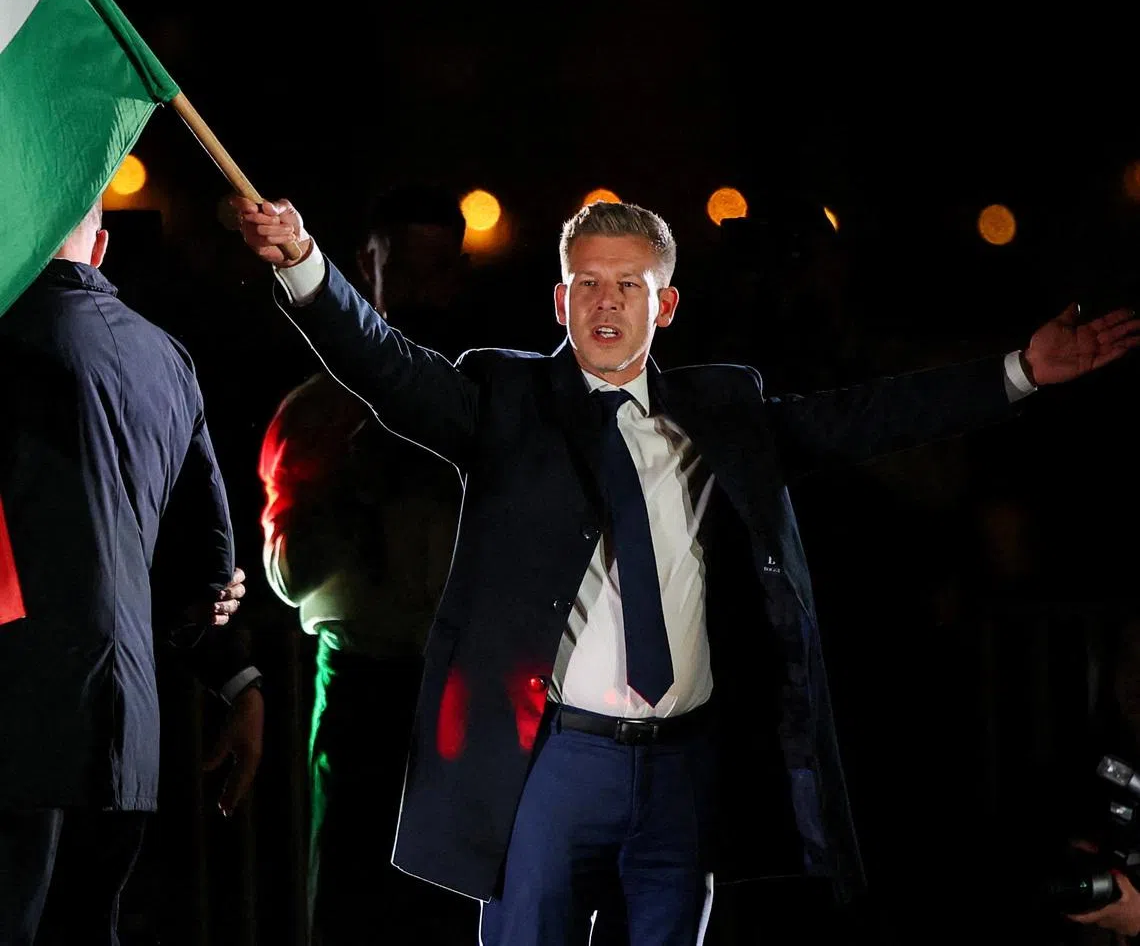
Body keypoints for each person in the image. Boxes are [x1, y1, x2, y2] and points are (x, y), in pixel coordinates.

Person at [232, 193, 1139, 945]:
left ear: (665, 305)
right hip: (554, 759)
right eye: (587, 283)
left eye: (629, 284)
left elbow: (864, 415)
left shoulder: (723, 409)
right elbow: (389, 367)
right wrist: (305, 264)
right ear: (559, 300)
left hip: (683, 766)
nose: (606, 303)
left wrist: (1019, 371)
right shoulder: (507, 402)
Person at [0, 199, 264, 946]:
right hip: (127, 739)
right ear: (102, 245)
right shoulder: (166, 359)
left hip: (15, 721)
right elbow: (207, 569)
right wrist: (238, 683)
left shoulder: (8, 338)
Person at [257, 185, 478, 944]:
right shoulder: (317, 414)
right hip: (362, 686)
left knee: (459, 907)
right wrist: (352, 484)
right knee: (353, 903)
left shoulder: (487, 405)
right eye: (404, 269)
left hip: (468, 688)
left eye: (437, 270)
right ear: (366, 266)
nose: (423, 290)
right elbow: (287, 581)